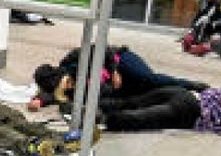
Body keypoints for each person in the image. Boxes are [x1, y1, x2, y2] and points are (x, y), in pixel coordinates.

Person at [28, 45, 208, 112]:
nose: (70, 85)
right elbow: (49, 94)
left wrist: (114, 71)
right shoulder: (63, 88)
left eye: (68, 81)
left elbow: (102, 49)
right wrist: (38, 101)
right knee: (147, 92)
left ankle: (192, 85)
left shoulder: (73, 58)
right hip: (116, 85)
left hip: (119, 61)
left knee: (147, 78)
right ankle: (185, 95)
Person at [98, 85, 221, 134]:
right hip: (190, 110)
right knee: (145, 117)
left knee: (135, 101)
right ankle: (103, 119)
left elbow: (214, 90)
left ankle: (97, 105)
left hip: (186, 94)